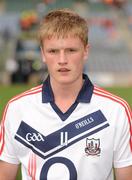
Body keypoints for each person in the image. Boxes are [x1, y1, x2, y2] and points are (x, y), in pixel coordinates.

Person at [0, 8, 132, 180]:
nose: (62, 60)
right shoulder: (17, 108)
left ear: (85, 51)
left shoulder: (116, 111)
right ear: (43, 54)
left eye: (71, 50)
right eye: (53, 51)